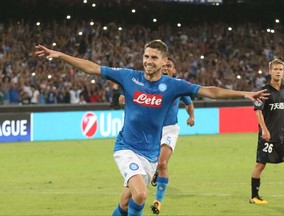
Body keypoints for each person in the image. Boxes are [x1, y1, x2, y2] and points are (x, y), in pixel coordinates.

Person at [34, 39, 268, 216]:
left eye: (154, 58)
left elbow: (210, 91)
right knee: (141, 194)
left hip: (151, 155)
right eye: (146, 56)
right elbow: (92, 68)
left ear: (163, 61)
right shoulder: (128, 77)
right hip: (126, 147)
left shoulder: (173, 85)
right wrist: (60, 55)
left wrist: (243, 93)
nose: (148, 61)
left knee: (125, 204)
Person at [118, 57, 195, 214]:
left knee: (162, 163)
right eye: (164, 65)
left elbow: (188, 103)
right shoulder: (150, 85)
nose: (166, 68)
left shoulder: (177, 86)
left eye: (169, 66)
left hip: (169, 128)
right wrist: (126, 100)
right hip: (150, 131)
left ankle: (158, 201)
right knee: (127, 197)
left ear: (174, 70)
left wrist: (191, 116)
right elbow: (138, 100)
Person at [250, 59, 284, 205]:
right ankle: (254, 196)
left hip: (283, 136)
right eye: (276, 69)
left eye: (281, 69)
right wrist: (264, 130)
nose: (278, 72)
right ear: (270, 71)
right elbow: (258, 112)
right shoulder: (264, 91)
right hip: (267, 136)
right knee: (260, 165)